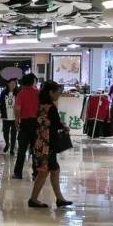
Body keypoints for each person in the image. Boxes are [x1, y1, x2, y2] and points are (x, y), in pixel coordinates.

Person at [28, 81, 73, 209]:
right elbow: (56, 124)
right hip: (48, 144)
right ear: (51, 92)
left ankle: (59, 198)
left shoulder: (39, 105)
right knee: (45, 171)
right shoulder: (51, 108)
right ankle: (34, 199)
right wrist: (64, 127)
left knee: (53, 170)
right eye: (57, 92)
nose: (59, 95)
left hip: (40, 142)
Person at [13, 74, 40, 179]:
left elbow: (17, 109)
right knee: (36, 150)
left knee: (22, 150)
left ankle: (18, 173)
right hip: (36, 124)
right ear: (33, 82)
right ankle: (36, 174)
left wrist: (16, 120)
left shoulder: (21, 94)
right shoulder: (38, 93)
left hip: (24, 124)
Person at [0, 78, 18, 155]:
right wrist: (2, 112)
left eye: (14, 83)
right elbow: (0, 103)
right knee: (5, 132)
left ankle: (12, 149)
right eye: (11, 83)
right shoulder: (4, 93)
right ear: (8, 84)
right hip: (6, 116)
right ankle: (7, 144)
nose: (13, 85)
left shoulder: (18, 93)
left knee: (14, 133)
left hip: (14, 117)